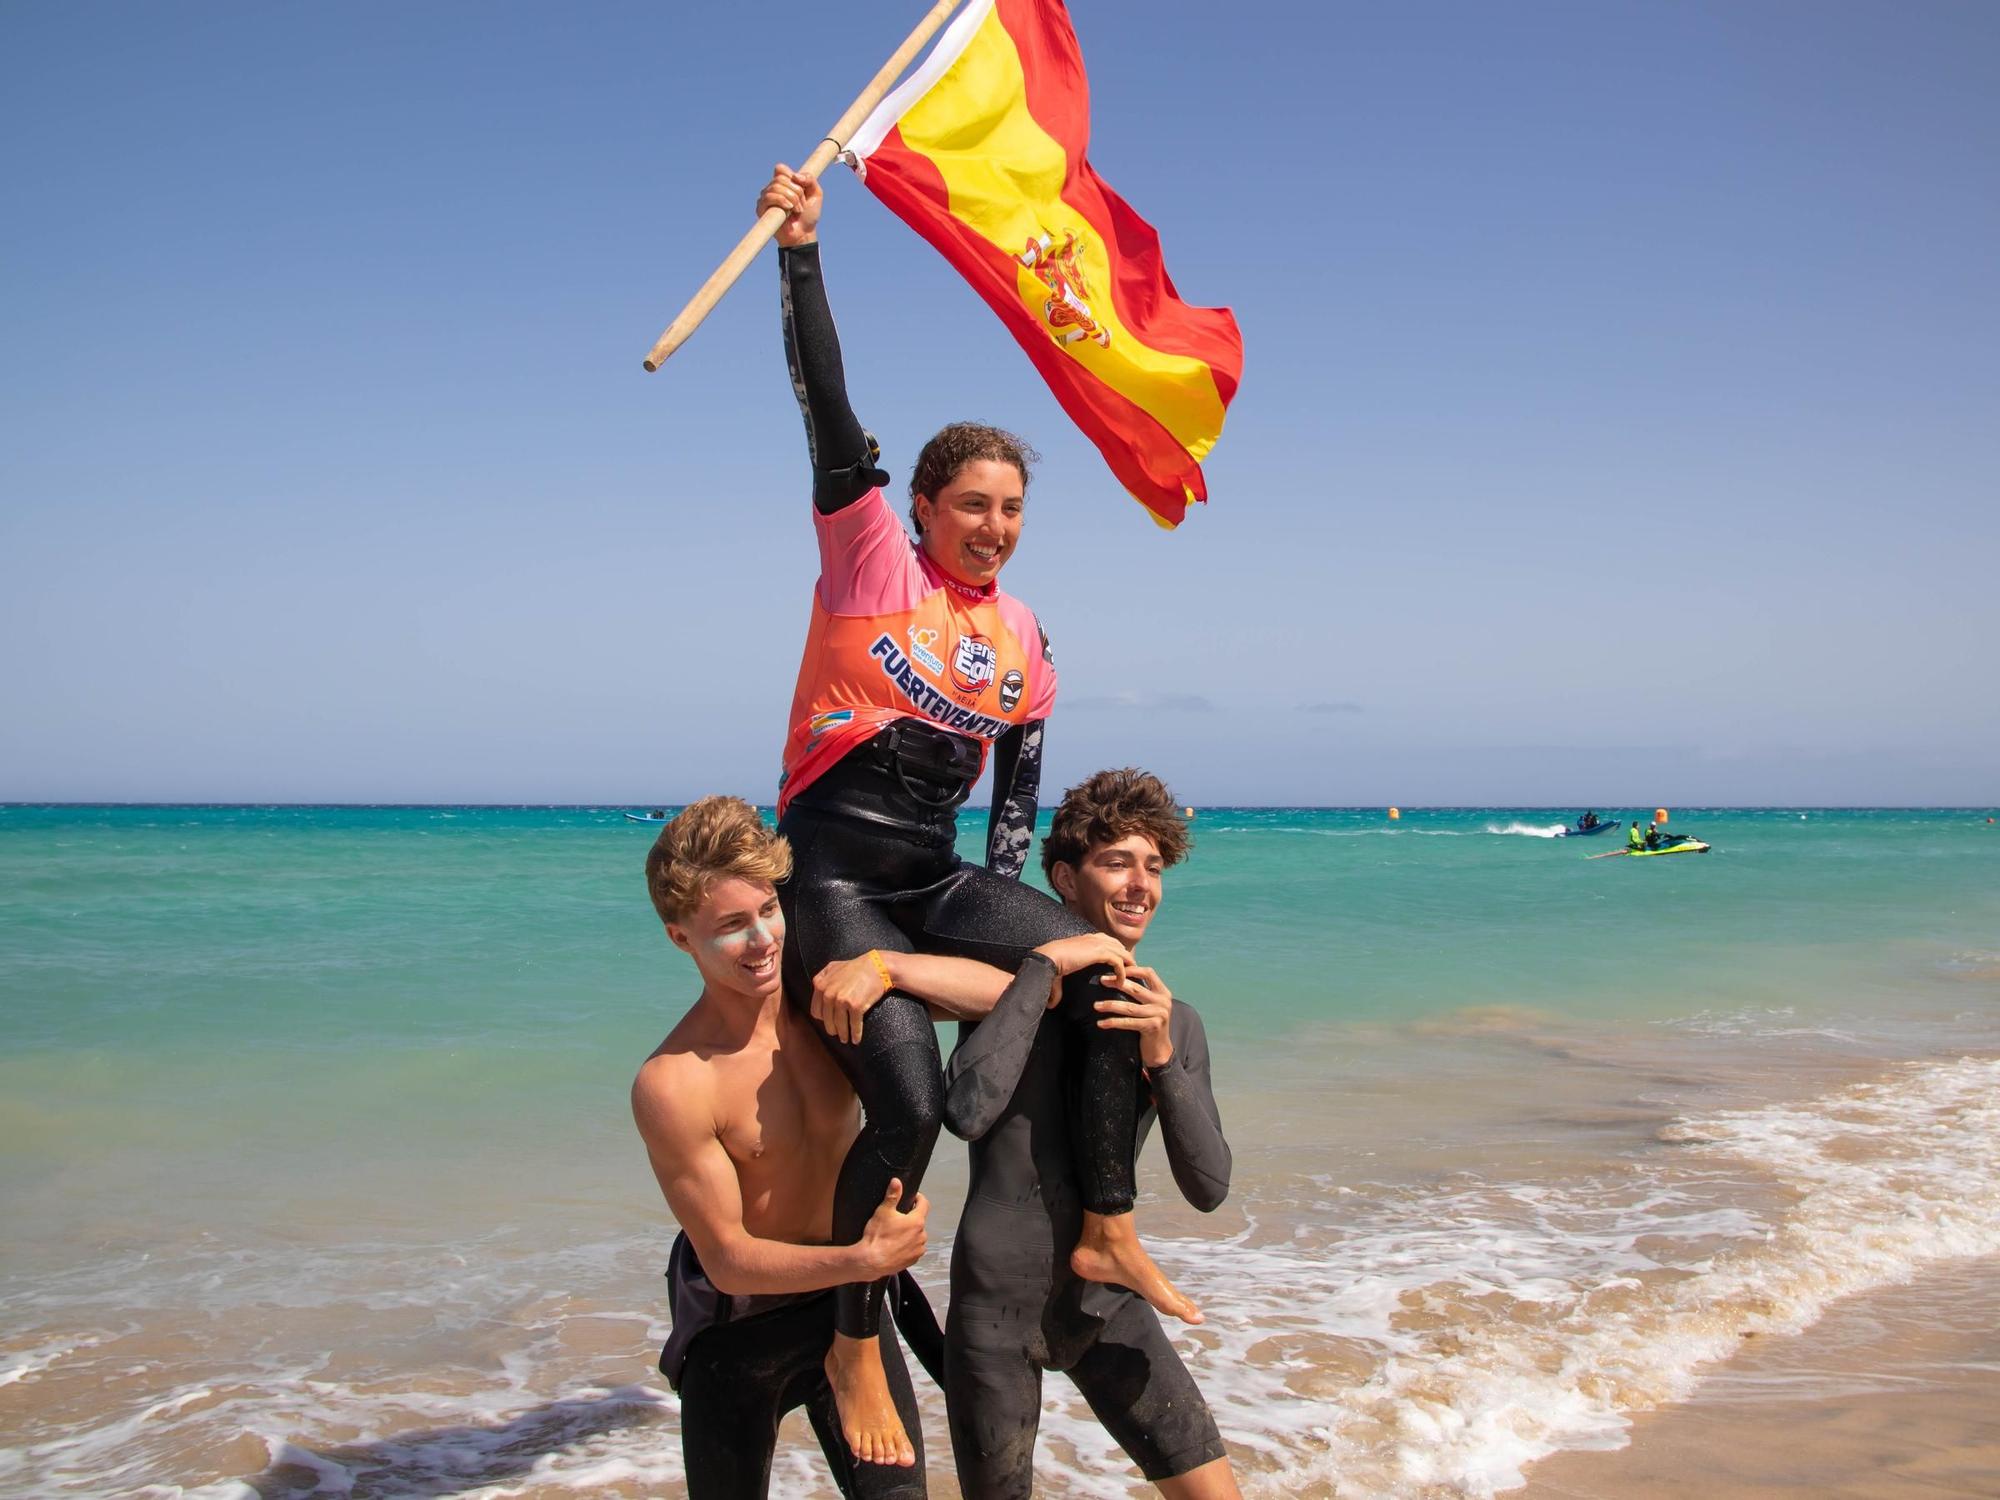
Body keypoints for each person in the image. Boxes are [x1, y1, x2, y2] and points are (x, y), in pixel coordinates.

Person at [756, 163, 1197, 1462]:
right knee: (902, 1106)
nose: (995, 526)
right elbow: (826, 405)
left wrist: (1011, 957)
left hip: (933, 879)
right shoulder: (870, 559)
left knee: (1107, 966)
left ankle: (1099, 1221)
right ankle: (851, 1349)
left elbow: (1014, 817)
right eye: (974, 506)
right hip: (833, 873)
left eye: (1013, 509)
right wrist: (801, 257)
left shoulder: (1026, 641)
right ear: (926, 511)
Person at [812, 769, 1240, 1499]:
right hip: (997, 1308)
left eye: (1153, 868)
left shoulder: (1174, 1019)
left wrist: (1163, 1058)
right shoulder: (1007, 991)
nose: (1139, 885)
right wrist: (1039, 969)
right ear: (1062, 882)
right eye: (1116, 863)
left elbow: (1208, 1187)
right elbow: (966, 1111)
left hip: (1107, 1298)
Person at [630, 796, 935, 1497]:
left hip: (850, 1316)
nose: (764, 940)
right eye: (732, 926)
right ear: (681, 939)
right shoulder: (674, 1082)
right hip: (739, 1335)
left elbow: (993, 994)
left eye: (768, 909)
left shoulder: (832, 1006)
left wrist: (891, 967)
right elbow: (729, 1261)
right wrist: (863, 1259)